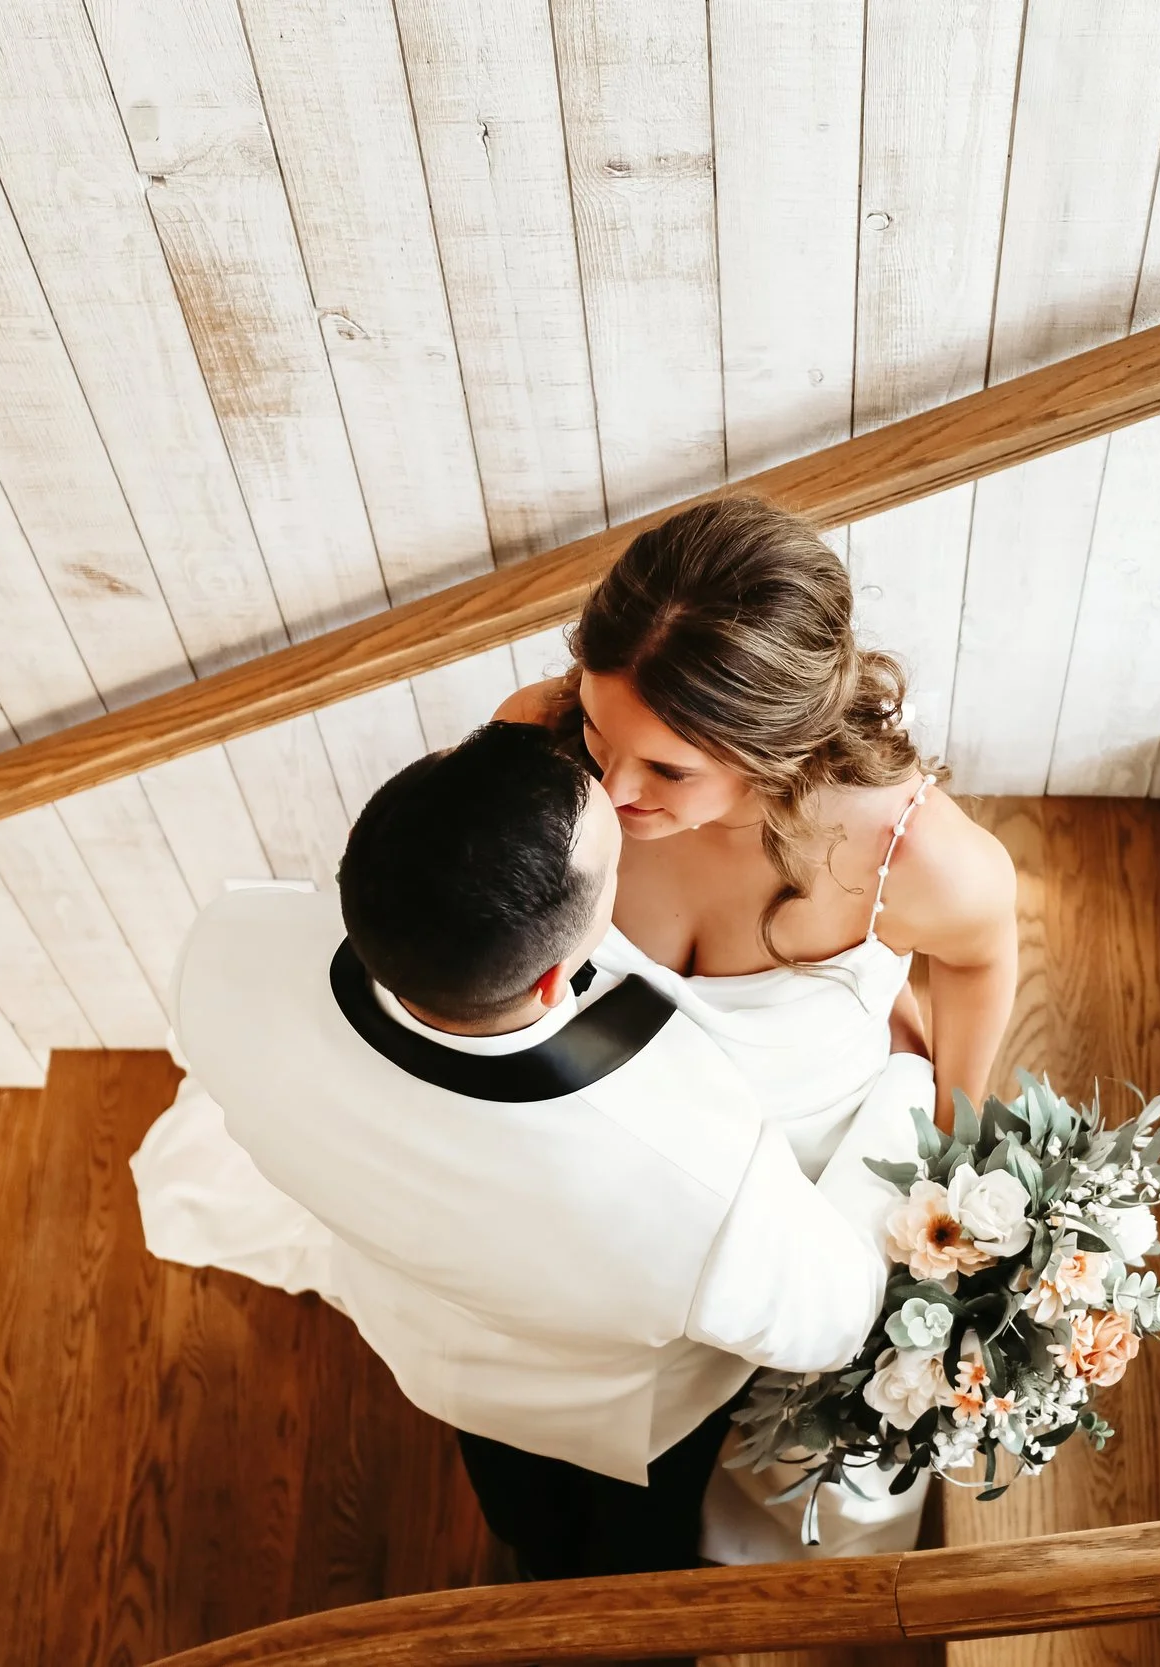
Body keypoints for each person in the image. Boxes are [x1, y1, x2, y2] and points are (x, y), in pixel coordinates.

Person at [131, 722, 925, 1579]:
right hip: (622, 1417)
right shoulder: (697, 1175)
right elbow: (836, 1318)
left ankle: (533, 1561)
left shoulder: (225, 949)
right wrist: (906, 1078)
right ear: (554, 979)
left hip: (434, 1353)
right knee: (636, 1552)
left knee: (521, 1517)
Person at [496, 495, 1021, 1558]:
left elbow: (976, 956)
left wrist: (956, 1140)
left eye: (668, 769)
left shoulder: (910, 858)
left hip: (774, 1197)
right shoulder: (535, 736)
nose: (610, 786)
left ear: (776, 747)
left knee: (702, 1429)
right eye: (600, 736)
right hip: (586, 1170)